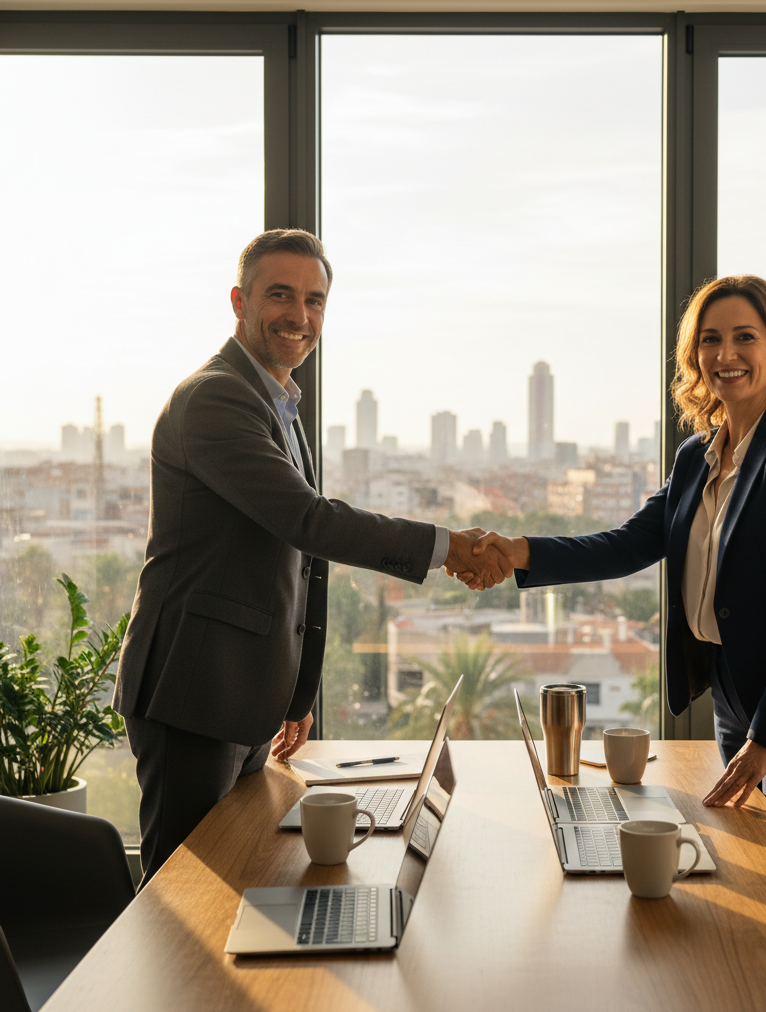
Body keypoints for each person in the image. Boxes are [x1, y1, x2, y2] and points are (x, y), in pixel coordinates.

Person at [114, 228, 510, 886]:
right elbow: (308, 522)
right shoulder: (216, 398)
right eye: (280, 295)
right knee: (179, 896)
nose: (300, 315)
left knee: (236, 877)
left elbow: (298, 557)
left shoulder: (279, 400)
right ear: (240, 300)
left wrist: (296, 692)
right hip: (192, 690)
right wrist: (449, 548)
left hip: (238, 690)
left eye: (315, 300)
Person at [463, 275, 766, 886]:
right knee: (746, 879)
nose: (725, 355)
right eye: (710, 340)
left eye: (744, 337)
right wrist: (518, 551)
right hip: (737, 704)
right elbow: (628, 544)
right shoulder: (697, 456)